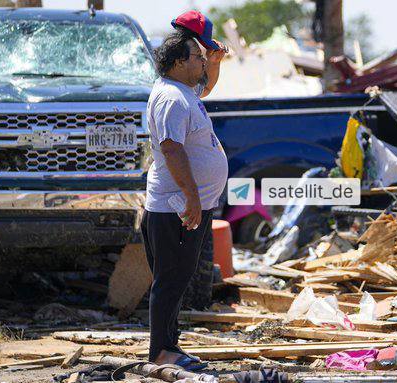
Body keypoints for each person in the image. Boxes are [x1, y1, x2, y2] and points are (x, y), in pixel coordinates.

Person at [142, 10, 227, 368]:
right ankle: (161, 351)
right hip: (175, 206)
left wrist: (215, 61)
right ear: (179, 61)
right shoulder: (172, 98)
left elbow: (206, 86)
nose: (202, 61)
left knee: (177, 279)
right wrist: (192, 198)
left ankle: (170, 346)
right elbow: (172, 149)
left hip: (187, 204)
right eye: (197, 56)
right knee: (170, 281)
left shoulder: (183, 90)